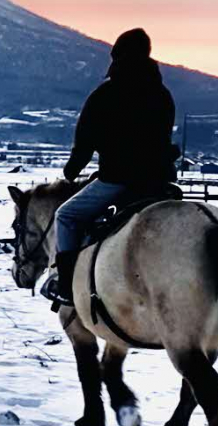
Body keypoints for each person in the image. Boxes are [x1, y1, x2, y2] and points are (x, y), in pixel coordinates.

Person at [45, 29, 177, 306]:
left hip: (119, 177)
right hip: (159, 180)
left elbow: (85, 139)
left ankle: (67, 284)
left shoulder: (107, 92)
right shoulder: (162, 93)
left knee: (66, 216)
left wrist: (72, 170)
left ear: (116, 55)